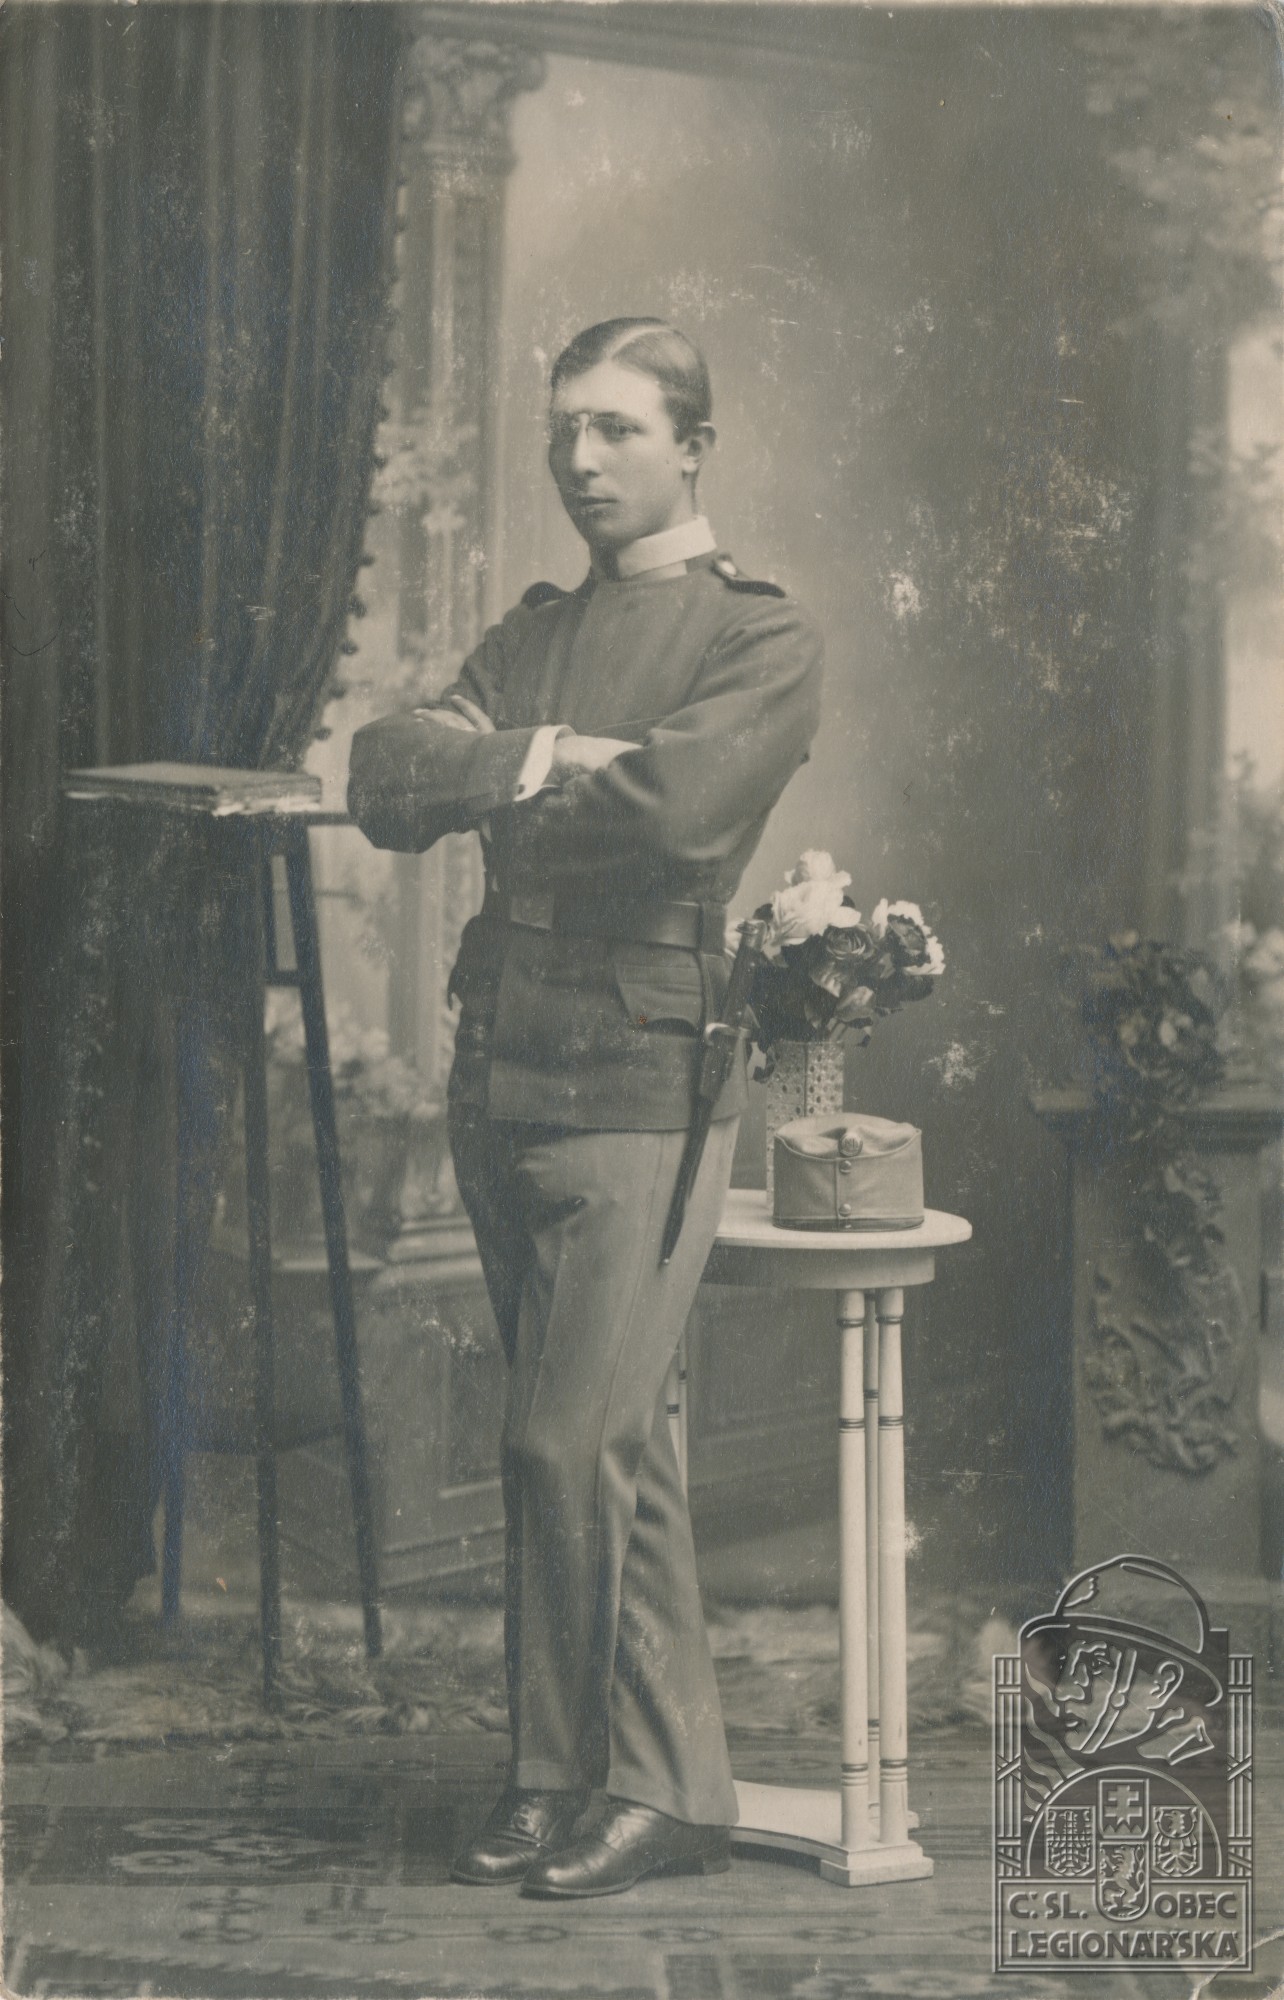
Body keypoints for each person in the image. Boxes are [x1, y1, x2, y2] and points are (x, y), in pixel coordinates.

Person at [347, 317, 823, 1899]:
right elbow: (386, 773)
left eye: (617, 427)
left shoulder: (761, 635)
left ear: (693, 444)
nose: (580, 458)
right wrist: (551, 753)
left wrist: (501, 778)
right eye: (564, 429)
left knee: (569, 1437)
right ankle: (624, 1783)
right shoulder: (538, 635)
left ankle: (589, 1777)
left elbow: (676, 820)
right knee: (611, 1441)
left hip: (642, 1071)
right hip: (505, 1056)